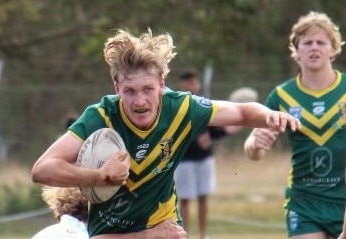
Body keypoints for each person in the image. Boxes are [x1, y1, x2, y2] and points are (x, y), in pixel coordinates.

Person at [31, 28, 300, 239]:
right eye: (130, 91)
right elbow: (42, 169)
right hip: (110, 233)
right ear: (116, 87)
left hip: (164, 227)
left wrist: (268, 116)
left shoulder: (182, 108)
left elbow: (241, 112)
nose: (140, 101)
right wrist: (100, 176)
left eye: (147, 89)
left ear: (161, 83)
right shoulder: (101, 116)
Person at [243, 11, 346, 239]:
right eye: (307, 42)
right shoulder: (282, 95)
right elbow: (253, 152)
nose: (314, 47)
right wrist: (256, 144)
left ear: (333, 49)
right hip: (304, 200)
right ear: (297, 50)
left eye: (321, 42)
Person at [174, 69, 243, 239]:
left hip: (205, 159)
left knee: (203, 198)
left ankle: (204, 235)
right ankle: (185, 235)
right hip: (185, 161)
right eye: (190, 82)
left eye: (196, 82)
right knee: (185, 200)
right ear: (183, 85)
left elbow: (212, 132)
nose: (194, 85)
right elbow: (175, 133)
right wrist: (195, 139)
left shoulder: (204, 105)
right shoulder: (176, 106)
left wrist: (227, 131)